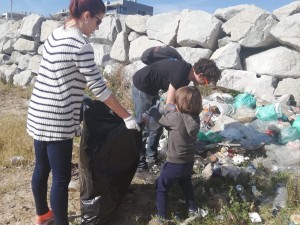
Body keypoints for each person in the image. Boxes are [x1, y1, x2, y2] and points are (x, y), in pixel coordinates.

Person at [26, 0, 140, 224]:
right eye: (98, 21)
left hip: (38, 111)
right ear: (86, 16)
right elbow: (99, 88)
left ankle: (42, 214)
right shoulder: (81, 45)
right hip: (57, 118)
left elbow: (60, 73)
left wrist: (79, 94)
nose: (97, 27)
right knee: (61, 177)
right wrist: (126, 116)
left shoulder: (58, 33)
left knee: (41, 168)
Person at [132, 57, 220, 171]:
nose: (205, 85)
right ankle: (139, 162)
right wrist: (180, 119)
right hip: (142, 86)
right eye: (206, 82)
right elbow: (169, 104)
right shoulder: (181, 74)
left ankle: (151, 158)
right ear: (201, 75)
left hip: (153, 89)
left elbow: (186, 97)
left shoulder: (188, 74)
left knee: (157, 124)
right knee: (143, 125)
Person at [148, 86, 202, 222]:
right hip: (188, 161)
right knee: (186, 183)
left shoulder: (175, 117)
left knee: (162, 187)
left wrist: (153, 110)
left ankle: (162, 217)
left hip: (174, 162)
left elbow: (161, 119)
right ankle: (192, 209)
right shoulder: (196, 119)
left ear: (180, 104)